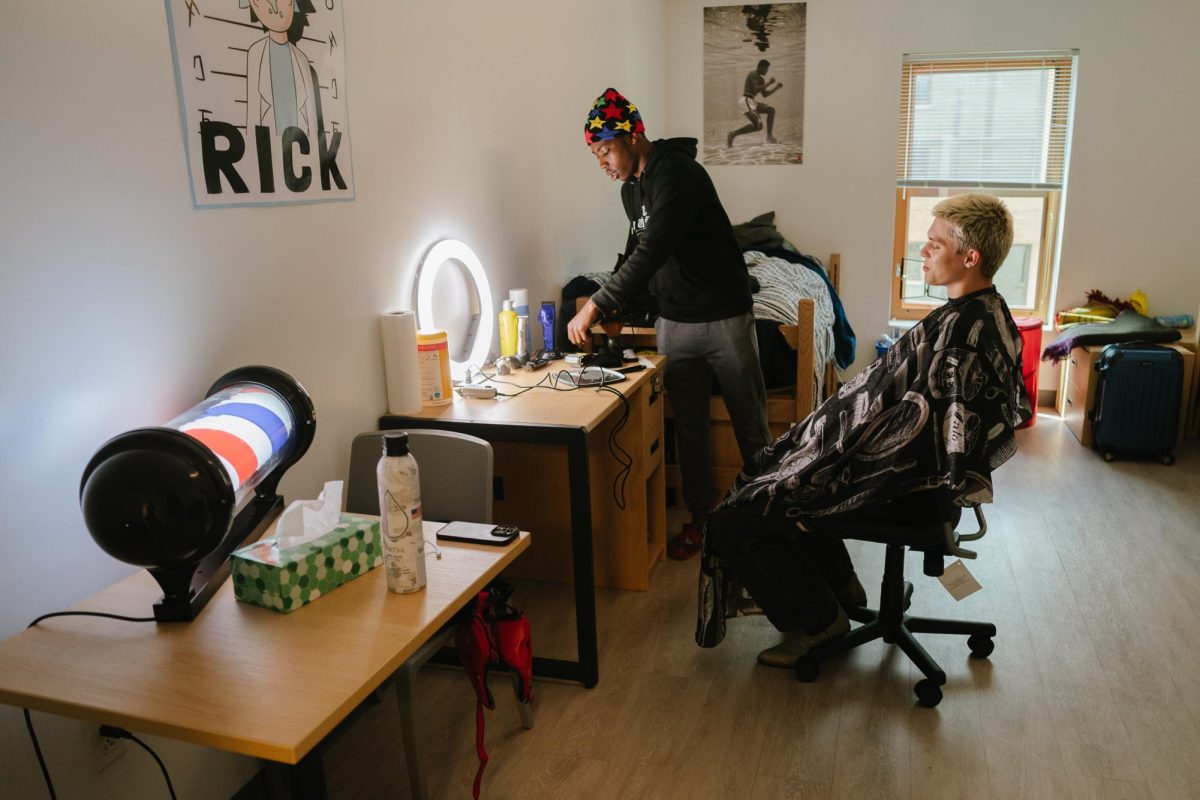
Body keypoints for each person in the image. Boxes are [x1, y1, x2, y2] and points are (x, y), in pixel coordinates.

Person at [696, 194, 1032, 667]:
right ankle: (838, 588)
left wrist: (830, 453)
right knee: (778, 467)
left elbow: (914, 436)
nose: (923, 252)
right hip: (922, 477)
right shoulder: (982, 310)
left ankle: (818, 622)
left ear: (970, 257)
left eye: (934, 245)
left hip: (915, 486)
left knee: (744, 511)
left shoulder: (963, 335)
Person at [568, 87, 771, 560]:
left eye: (606, 149)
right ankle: (703, 522)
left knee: (751, 426)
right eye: (595, 154)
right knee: (691, 430)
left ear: (635, 135)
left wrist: (595, 304)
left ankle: (769, 521)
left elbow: (655, 245)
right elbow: (639, 253)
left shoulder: (678, 172)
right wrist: (622, 303)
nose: (601, 161)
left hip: (725, 316)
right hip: (675, 322)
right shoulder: (630, 190)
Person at [243, 0, 319, 138]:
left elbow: (311, 116)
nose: (275, 7)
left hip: (300, 144)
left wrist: (314, 151)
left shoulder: (301, 59)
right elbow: (253, 112)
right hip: (268, 142)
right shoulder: (256, 53)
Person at [727, 59, 783, 147]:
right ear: (760, 67)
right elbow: (755, 89)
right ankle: (732, 134)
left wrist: (776, 88)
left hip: (752, 101)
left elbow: (765, 94)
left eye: (767, 70)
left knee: (771, 110)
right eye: (765, 69)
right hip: (746, 101)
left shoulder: (761, 79)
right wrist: (769, 82)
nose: (766, 71)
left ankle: (769, 137)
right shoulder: (752, 74)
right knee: (758, 125)